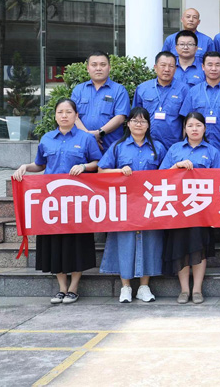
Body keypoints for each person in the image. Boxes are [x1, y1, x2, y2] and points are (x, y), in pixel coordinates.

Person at [12, 99, 101, 305]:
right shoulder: (47, 139)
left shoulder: (86, 138)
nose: (64, 115)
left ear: (76, 116)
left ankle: (74, 288)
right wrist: (25, 167)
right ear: (55, 116)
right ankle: (62, 288)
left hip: (77, 200)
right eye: (60, 112)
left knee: (76, 243)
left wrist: (84, 167)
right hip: (52, 202)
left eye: (68, 112)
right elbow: (40, 164)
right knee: (55, 243)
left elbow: (98, 162)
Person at [97, 107, 166, 303]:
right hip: (124, 203)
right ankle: (125, 287)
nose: (139, 124)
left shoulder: (158, 148)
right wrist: (119, 171)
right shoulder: (118, 146)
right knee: (124, 242)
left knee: (150, 242)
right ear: (128, 124)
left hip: (149, 203)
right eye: (135, 121)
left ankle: (144, 287)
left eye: (143, 121)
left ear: (148, 125)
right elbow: (101, 171)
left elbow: (167, 174)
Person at [179, 51, 220, 250]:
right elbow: (186, 121)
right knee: (198, 192)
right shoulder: (194, 91)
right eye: (210, 64)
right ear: (203, 67)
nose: (213, 68)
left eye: (217, 65)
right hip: (197, 152)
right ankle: (198, 230)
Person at [160, 112, 220, 304]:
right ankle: (184, 290)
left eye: (198, 125)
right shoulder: (175, 149)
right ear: (184, 129)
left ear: (205, 128)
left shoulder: (212, 151)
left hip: (201, 209)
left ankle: (197, 290)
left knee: (199, 248)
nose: (194, 129)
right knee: (180, 248)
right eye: (190, 126)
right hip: (178, 208)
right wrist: (176, 166)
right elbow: (160, 176)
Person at [71, 50, 130, 152]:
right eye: (94, 65)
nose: (98, 68)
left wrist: (99, 133)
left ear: (109, 67)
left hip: (110, 147)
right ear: (88, 68)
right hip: (82, 146)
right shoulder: (78, 90)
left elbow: (120, 117)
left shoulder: (119, 90)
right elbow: (73, 116)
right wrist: (89, 136)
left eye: (103, 65)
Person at [132, 51, 188, 148]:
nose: (167, 69)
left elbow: (187, 120)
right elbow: (134, 117)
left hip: (173, 145)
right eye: (163, 65)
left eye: (171, 66)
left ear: (175, 69)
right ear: (155, 67)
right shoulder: (143, 88)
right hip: (146, 144)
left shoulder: (184, 90)